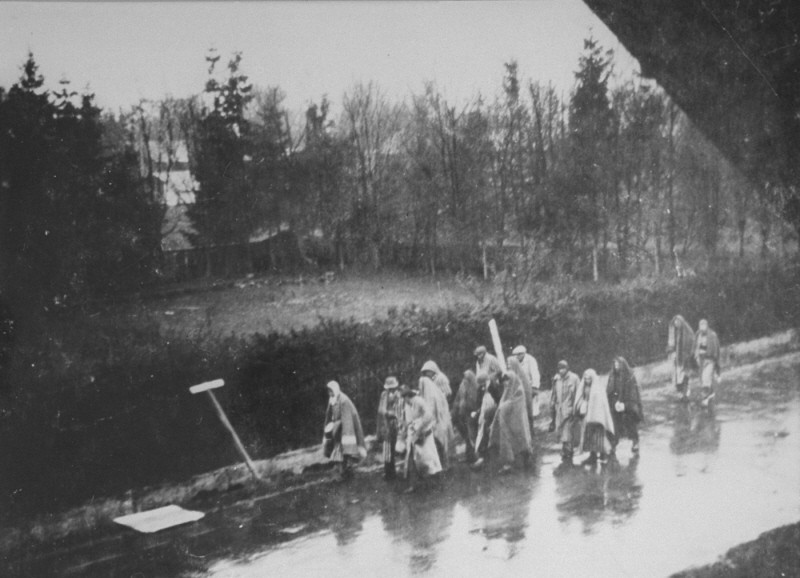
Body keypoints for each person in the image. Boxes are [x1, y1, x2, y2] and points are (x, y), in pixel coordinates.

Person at [400, 384, 442, 491]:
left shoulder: (418, 401)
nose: (405, 401)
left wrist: (419, 429)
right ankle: (413, 484)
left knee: (428, 458)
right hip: (413, 434)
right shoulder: (408, 405)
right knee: (412, 459)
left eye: (405, 398)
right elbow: (409, 420)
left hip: (424, 433)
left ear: (408, 396)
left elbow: (428, 416)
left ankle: (434, 483)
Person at [489, 368, 533, 472]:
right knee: (507, 441)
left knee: (521, 439)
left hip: (517, 420)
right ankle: (509, 462)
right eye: (505, 381)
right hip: (507, 420)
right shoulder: (507, 390)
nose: (506, 383)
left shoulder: (518, 389)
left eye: (508, 380)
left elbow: (514, 402)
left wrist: (504, 406)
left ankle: (526, 459)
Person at [323, 381, 367, 479]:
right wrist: (330, 427)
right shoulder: (332, 400)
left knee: (347, 452)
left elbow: (347, 420)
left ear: (335, 390)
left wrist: (338, 427)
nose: (329, 393)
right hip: (336, 432)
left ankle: (347, 472)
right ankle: (342, 472)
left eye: (331, 391)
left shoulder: (343, 400)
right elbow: (329, 415)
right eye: (328, 391)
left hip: (344, 431)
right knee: (338, 453)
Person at [576, 369, 615, 466]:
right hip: (587, 415)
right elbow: (581, 398)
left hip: (596, 416)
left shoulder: (598, 388)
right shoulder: (584, 387)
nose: (586, 380)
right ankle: (592, 455)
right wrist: (582, 405)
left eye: (589, 378)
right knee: (589, 436)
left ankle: (606, 453)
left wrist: (596, 414)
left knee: (599, 436)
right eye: (585, 378)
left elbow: (601, 403)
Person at [418, 368, 455, 469]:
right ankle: (444, 464)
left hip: (438, 422)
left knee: (440, 444)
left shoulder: (432, 396)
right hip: (438, 422)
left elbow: (431, 411)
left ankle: (444, 465)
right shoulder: (432, 393)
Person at [606, 357, 644, 455]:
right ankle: (613, 443)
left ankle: (635, 441)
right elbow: (609, 390)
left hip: (627, 405)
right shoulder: (612, 375)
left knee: (630, 422)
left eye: (618, 365)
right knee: (614, 423)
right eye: (615, 365)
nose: (616, 367)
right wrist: (613, 402)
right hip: (615, 404)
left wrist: (625, 404)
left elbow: (633, 394)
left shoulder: (629, 376)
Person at [549, 360, 581, 463]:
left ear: (567, 368)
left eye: (563, 368)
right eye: (559, 369)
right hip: (559, 409)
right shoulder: (556, 379)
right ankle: (565, 449)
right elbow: (554, 393)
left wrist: (576, 409)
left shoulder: (574, 378)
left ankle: (568, 451)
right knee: (561, 430)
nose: (561, 371)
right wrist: (552, 404)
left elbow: (578, 393)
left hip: (570, 409)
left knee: (567, 431)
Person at [377, 376, 403, 479]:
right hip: (387, 423)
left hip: (396, 423)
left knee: (396, 446)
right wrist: (389, 413)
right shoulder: (384, 395)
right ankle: (389, 472)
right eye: (390, 388)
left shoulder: (398, 394)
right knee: (387, 447)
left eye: (394, 387)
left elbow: (400, 407)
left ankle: (395, 470)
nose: (392, 390)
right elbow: (381, 410)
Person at [471, 371, 498, 469]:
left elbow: (498, 398)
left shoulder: (493, 386)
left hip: (494, 409)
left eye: (483, 383)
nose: (482, 385)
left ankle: (490, 453)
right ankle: (483, 454)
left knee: (491, 429)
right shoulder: (480, 389)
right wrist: (477, 411)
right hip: (484, 410)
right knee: (482, 430)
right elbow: (478, 401)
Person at [453, 370, 481, 462]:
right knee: (469, 435)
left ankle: (474, 455)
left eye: (466, 378)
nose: (465, 380)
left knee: (472, 435)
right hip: (465, 414)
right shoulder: (464, 386)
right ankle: (471, 455)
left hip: (472, 413)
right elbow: (460, 401)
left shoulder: (475, 386)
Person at [693, 319, 721, 408]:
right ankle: (711, 393)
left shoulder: (712, 335)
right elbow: (695, 347)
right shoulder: (698, 335)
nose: (702, 328)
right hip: (700, 360)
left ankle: (704, 400)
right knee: (702, 380)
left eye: (704, 325)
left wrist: (717, 365)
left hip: (710, 360)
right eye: (700, 326)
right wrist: (695, 356)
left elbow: (716, 350)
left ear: (707, 326)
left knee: (706, 378)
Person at [667, 315, 695, 401]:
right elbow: (671, 344)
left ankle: (685, 395)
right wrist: (672, 352)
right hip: (676, 359)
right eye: (675, 323)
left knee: (685, 377)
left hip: (685, 359)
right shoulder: (674, 331)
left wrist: (688, 354)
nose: (676, 324)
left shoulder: (687, 331)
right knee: (677, 377)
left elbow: (692, 341)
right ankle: (680, 395)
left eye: (678, 322)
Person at [513, 345, 541, 425]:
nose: (517, 356)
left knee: (531, 408)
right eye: (515, 355)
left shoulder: (530, 360)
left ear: (523, 354)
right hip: (520, 387)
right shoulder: (516, 361)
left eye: (518, 354)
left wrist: (535, 387)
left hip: (530, 385)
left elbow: (535, 374)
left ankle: (531, 424)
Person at [508, 354, 534, 435]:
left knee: (526, 414)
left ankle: (530, 431)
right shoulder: (511, 374)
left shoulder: (520, 375)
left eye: (509, 364)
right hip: (517, 398)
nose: (508, 366)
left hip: (523, 397)